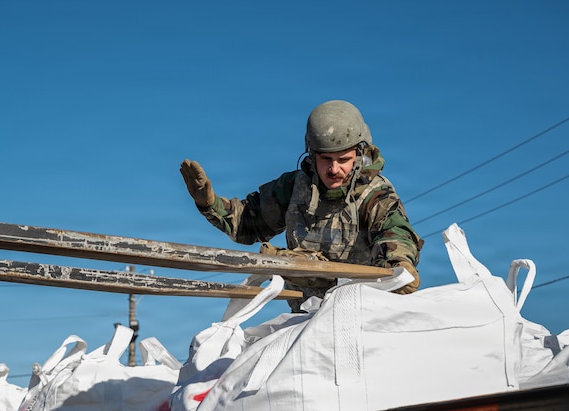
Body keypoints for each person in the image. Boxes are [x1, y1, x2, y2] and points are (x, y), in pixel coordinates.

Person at [180, 100, 424, 310]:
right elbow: (248, 222)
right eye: (325, 159)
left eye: (344, 160)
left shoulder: (374, 195)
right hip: (304, 320)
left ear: (360, 155)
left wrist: (399, 266)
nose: (334, 169)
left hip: (361, 314)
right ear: (311, 155)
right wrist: (210, 203)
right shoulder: (294, 188)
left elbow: (395, 233)